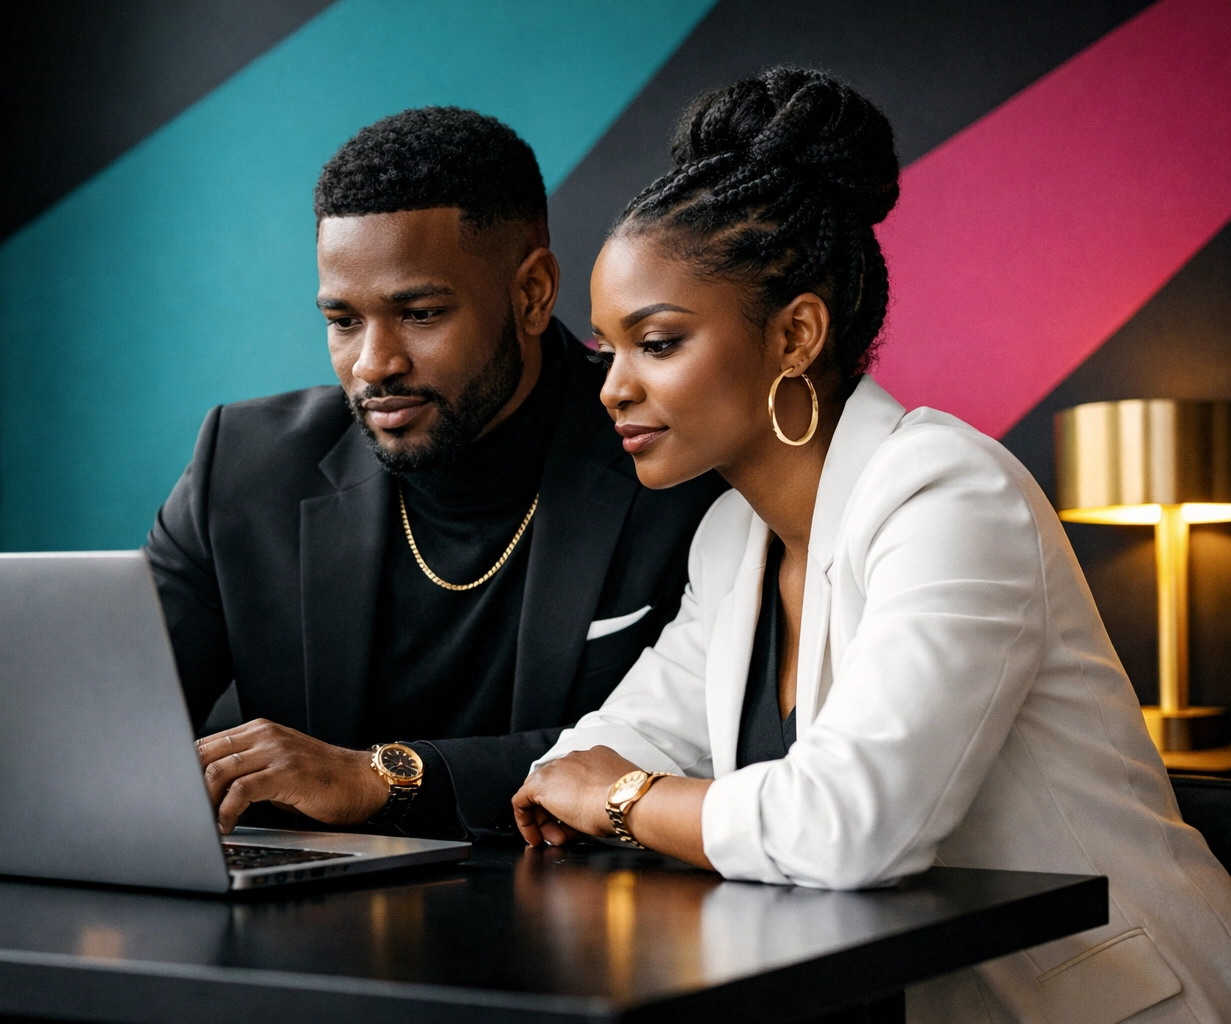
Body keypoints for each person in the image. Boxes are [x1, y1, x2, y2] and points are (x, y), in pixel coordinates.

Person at [511, 68, 1231, 1023]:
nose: (613, 387)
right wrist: (598, 779)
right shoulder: (732, 538)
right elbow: (604, 747)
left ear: (797, 335)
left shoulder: (946, 494)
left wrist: (624, 801)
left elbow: (850, 827)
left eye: (659, 342)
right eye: (608, 349)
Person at [147, 107, 724, 840]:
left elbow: (684, 746)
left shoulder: (675, 456)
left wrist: (381, 779)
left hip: (579, 901)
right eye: (343, 321)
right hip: (310, 906)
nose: (373, 365)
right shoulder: (242, 468)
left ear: (532, 293)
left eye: (419, 313)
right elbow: (107, 723)